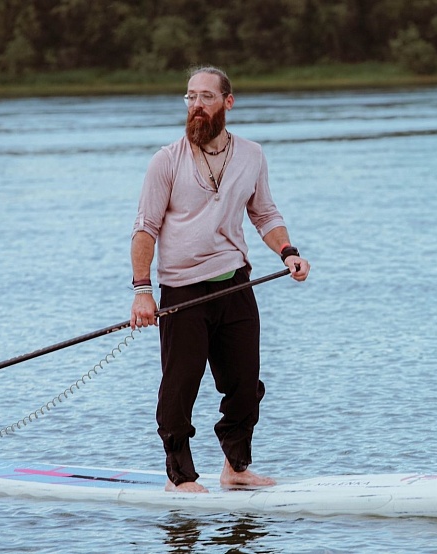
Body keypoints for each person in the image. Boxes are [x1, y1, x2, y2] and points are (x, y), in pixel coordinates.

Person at [129, 66, 309, 493]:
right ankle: (181, 477)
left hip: (235, 284)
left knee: (246, 384)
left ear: (228, 102)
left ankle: (236, 467)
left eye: (206, 97)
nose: (196, 105)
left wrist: (289, 253)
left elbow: (264, 214)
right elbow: (145, 229)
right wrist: (142, 292)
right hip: (182, 290)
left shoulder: (251, 155)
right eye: (190, 97)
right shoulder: (165, 161)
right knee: (180, 387)